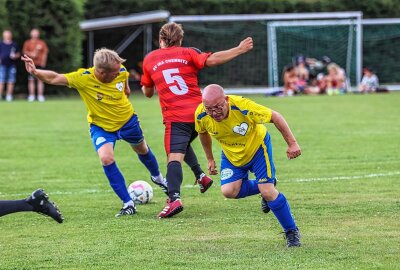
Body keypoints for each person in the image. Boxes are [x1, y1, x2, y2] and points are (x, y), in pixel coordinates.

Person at [21, 48, 168, 217]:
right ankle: (128, 203)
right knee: (106, 158)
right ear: (101, 72)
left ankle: (158, 178)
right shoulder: (83, 78)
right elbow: (55, 78)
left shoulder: (121, 71)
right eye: (113, 72)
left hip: (127, 121)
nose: (118, 72)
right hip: (101, 127)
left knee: (142, 149)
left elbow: (126, 90)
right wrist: (35, 71)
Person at [141, 22, 254, 218]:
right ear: (180, 40)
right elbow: (212, 60)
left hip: (176, 117)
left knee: (174, 157)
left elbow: (148, 92)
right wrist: (239, 49)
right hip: (200, 114)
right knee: (184, 144)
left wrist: (148, 84)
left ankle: (174, 199)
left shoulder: (150, 59)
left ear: (160, 40)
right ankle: (202, 176)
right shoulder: (188, 53)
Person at [195, 84, 301, 247]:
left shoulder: (243, 106)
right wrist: (209, 159)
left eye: (218, 107)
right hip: (232, 155)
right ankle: (267, 185)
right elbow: (202, 133)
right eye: (209, 109)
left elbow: (276, 116)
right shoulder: (201, 114)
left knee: (268, 192)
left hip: (258, 148)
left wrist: (292, 144)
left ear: (226, 100)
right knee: (229, 191)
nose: (214, 113)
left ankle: (291, 231)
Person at [22, 28, 49, 102]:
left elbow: (45, 53)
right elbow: (25, 52)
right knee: (31, 80)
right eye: (34, 33)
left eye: (36, 33)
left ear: (38, 34)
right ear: (31, 34)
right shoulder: (27, 42)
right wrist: (32, 54)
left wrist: (43, 62)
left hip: (40, 64)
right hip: (31, 64)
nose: (35, 34)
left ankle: (40, 96)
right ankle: (31, 96)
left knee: (41, 80)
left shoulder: (42, 43)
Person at [0, 30, 21, 102]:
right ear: (3, 35)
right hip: (2, 65)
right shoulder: (1, 44)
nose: (7, 36)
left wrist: (15, 56)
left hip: (12, 65)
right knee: (1, 80)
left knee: (11, 81)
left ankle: (9, 96)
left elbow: (18, 53)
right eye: (6, 34)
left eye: (8, 34)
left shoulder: (14, 44)